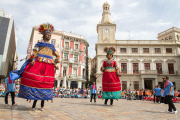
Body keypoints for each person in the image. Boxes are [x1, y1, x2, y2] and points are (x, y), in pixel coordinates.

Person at [13, 23, 60, 111]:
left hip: (48, 66)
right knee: (35, 82)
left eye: (50, 35)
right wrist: (33, 59)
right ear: (44, 35)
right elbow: (34, 52)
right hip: (38, 63)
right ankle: (34, 105)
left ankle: (42, 105)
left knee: (45, 84)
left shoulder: (52, 47)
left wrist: (55, 63)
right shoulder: (39, 44)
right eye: (47, 34)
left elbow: (57, 55)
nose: (49, 36)